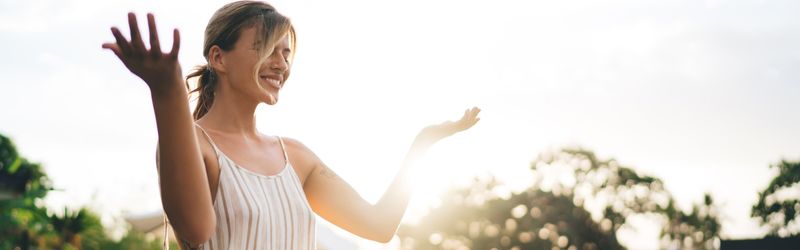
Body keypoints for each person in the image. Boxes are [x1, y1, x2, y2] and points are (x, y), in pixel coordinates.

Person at [102, 1, 481, 249]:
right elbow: (197, 233)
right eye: (266, 47)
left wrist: (421, 145)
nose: (281, 63)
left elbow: (380, 226)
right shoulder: (198, 145)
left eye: (286, 52)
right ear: (219, 57)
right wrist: (166, 91)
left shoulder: (295, 156)